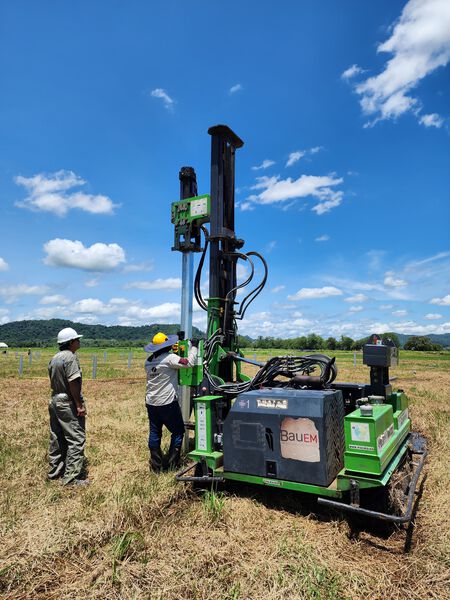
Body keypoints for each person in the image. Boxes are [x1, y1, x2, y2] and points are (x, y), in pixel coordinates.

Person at [145, 331, 199, 472]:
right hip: (167, 403)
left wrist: (179, 344)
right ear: (166, 346)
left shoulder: (148, 361)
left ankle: (156, 466)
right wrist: (193, 347)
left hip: (151, 402)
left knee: (155, 432)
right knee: (178, 431)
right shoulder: (170, 358)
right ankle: (173, 463)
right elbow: (188, 362)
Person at [47, 327, 88, 485]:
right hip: (67, 401)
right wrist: (78, 404)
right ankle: (71, 478)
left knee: (57, 437)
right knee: (76, 438)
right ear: (71, 342)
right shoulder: (70, 357)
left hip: (54, 399)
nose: (79, 341)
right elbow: (73, 381)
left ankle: (55, 471)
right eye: (77, 339)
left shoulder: (55, 357)